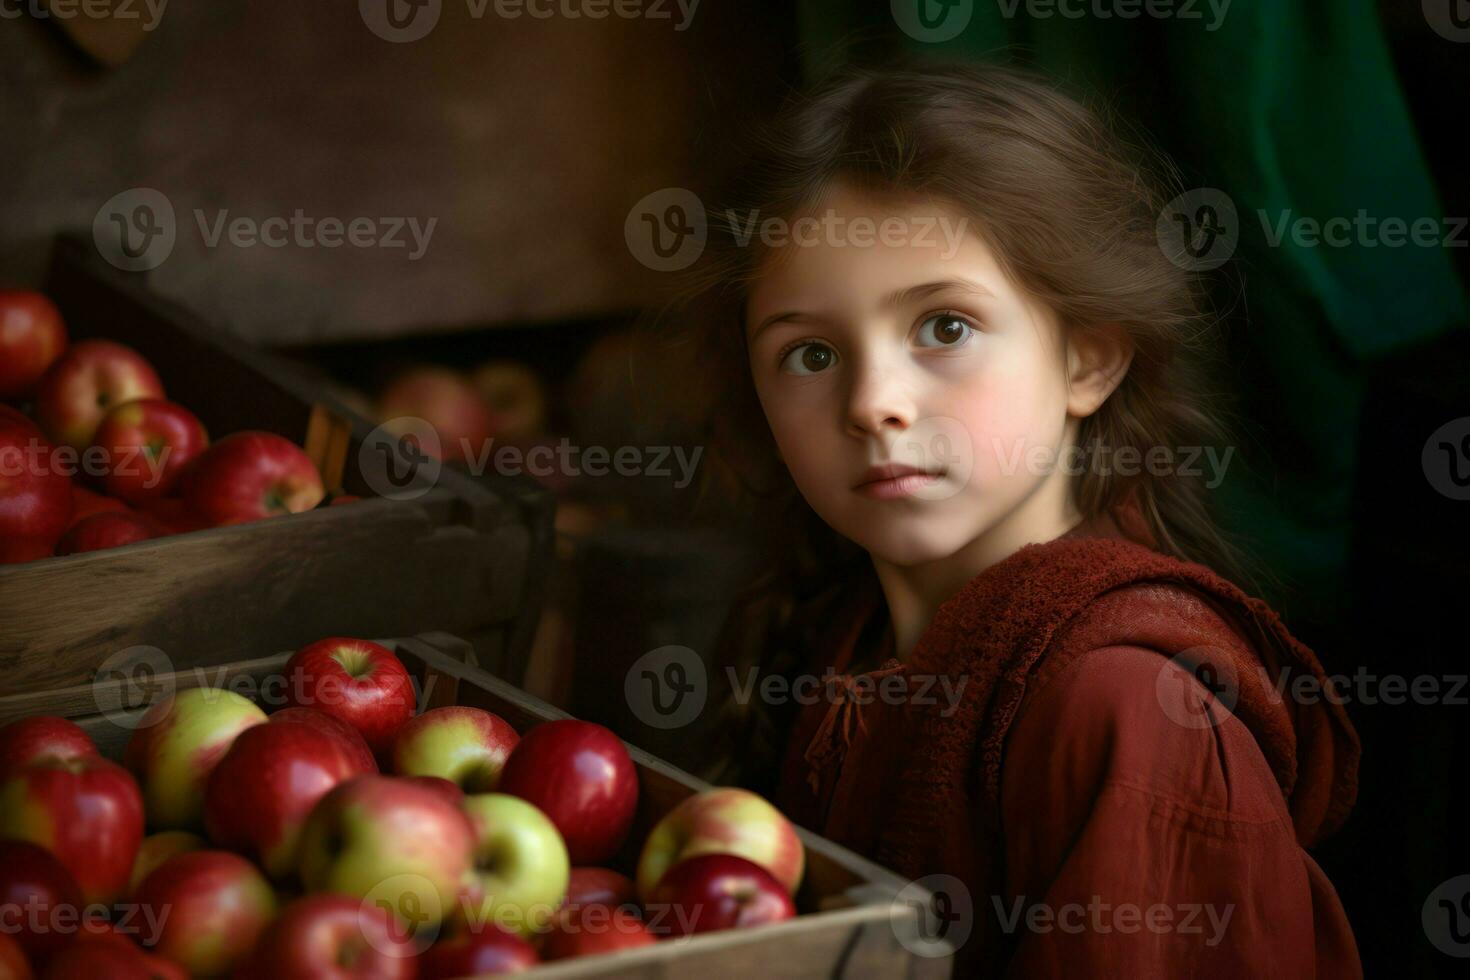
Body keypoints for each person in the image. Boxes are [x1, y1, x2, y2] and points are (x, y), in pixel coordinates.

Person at [663, 61, 1362, 977]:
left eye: (945, 327)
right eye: (811, 352)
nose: (875, 402)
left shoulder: (1129, 713)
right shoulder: (837, 640)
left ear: (1088, 360)